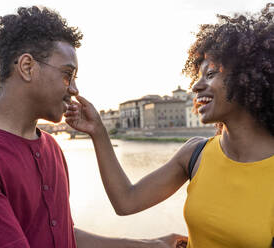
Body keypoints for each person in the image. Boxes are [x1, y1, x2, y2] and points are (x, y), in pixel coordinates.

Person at [0, 6, 185, 248]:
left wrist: (147, 245)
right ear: (27, 67)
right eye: (67, 75)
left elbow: (61, 237)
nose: (74, 89)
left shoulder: (51, 149)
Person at [65, 3, 274, 248]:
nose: (196, 87)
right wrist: (98, 131)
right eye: (198, 76)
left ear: (247, 79)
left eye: (211, 74)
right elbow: (126, 201)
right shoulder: (195, 153)